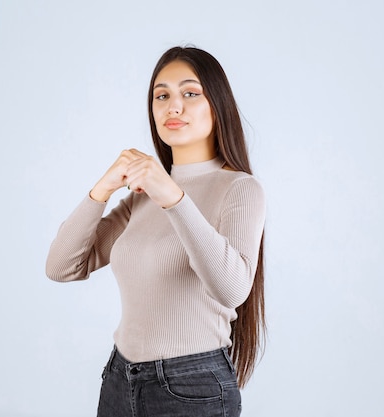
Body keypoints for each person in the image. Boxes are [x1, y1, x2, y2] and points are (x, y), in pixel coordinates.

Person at [46, 46, 266, 417]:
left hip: (191, 387)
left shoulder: (240, 189)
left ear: (218, 105)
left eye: (190, 93)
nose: (172, 106)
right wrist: (102, 188)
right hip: (119, 378)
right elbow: (61, 266)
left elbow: (232, 289)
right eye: (161, 95)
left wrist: (174, 198)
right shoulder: (140, 197)